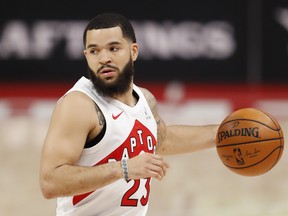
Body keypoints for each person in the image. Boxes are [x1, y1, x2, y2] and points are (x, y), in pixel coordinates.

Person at [39, 12, 219, 216]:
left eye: (113, 48)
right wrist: (123, 169)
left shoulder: (145, 99)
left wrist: (220, 134)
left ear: (133, 51)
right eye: (94, 51)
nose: (104, 58)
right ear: (86, 56)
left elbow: (162, 139)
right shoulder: (79, 105)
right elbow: (50, 182)